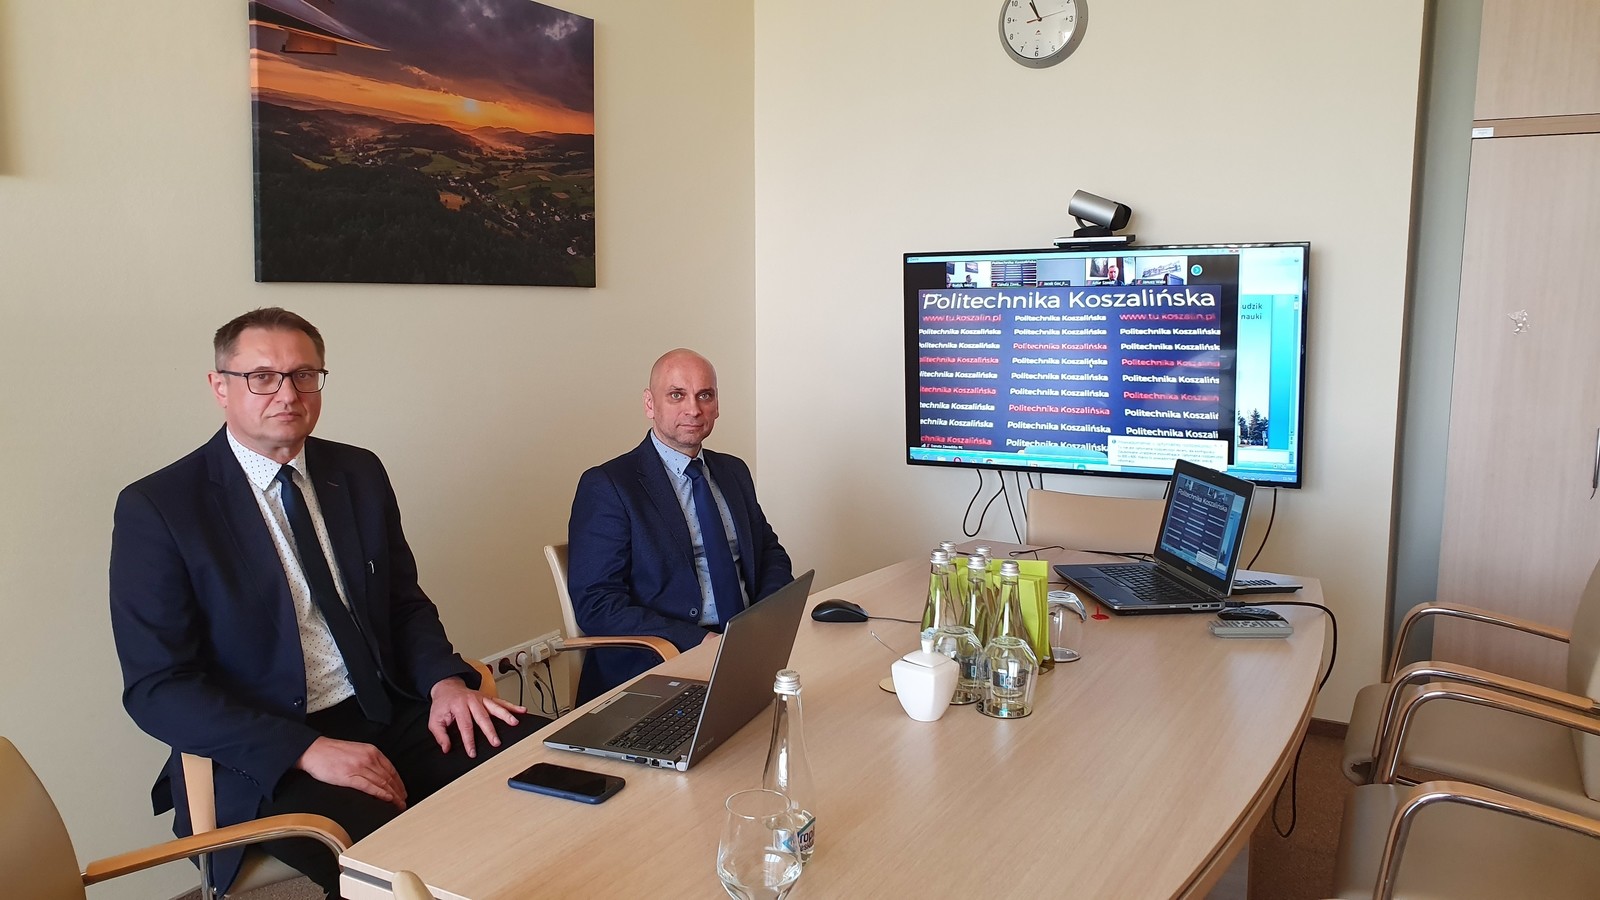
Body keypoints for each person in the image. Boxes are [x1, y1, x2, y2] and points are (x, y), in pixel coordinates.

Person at [109, 308, 544, 898]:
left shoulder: (357, 471)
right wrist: (304, 749)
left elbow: (402, 603)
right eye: (262, 377)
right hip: (266, 748)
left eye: (303, 375)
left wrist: (445, 682)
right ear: (220, 387)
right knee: (405, 866)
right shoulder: (160, 507)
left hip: (385, 707)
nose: (287, 393)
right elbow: (158, 687)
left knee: (555, 768)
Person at [566, 349, 793, 701]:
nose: (693, 409)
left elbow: (769, 553)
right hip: (661, 662)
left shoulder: (733, 471)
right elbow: (597, 603)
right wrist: (699, 641)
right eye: (676, 395)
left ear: (717, 405)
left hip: (746, 650)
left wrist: (764, 621)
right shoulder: (609, 485)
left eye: (705, 395)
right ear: (649, 404)